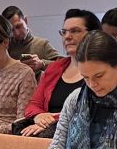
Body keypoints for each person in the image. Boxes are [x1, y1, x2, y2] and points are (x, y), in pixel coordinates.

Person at [21, 9, 99, 137]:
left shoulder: (100, 71)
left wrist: (52, 120)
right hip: (46, 132)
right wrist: (39, 116)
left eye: (75, 31)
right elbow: (33, 105)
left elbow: (95, 111)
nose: (67, 36)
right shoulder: (54, 68)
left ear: (93, 35)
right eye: (64, 32)